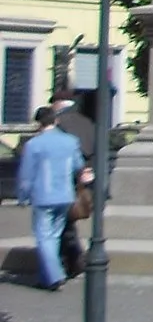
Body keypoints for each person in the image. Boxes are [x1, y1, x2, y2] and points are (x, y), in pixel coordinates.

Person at [14, 106, 84, 290]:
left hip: (43, 196)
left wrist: (22, 197)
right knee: (54, 236)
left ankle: (54, 275)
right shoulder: (70, 141)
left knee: (44, 238)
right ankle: (45, 278)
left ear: (38, 123)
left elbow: (26, 175)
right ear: (56, 120)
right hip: (65, 195)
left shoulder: (34, 145)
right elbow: (79, 165)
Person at [52, 91, 95, 279]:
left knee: (63, 225)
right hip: (85, 176)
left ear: (58, 104)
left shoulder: (60, 123)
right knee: (68, 223)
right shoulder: (87, 121)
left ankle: (72, 260)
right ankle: (73, 259)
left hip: (65, 179)